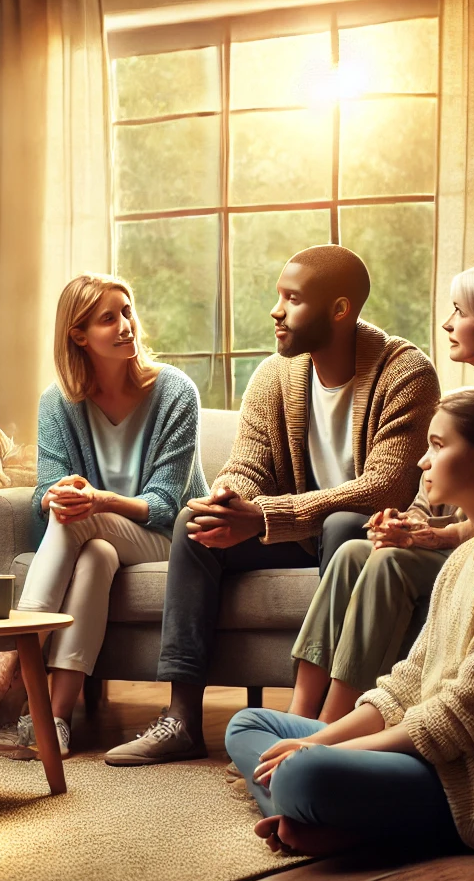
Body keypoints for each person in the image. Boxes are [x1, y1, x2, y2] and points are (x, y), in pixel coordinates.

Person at [105, 244, 440, 766]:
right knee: (197, 521)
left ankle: (332, 717)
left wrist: (267, 516)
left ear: (339, 310)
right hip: (290, 535)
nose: (275, 310)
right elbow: (249, 465)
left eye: (292, 298)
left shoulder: (406, 373)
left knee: (344, 523)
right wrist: (229, 497)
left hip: (352, 536)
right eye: (277, 296)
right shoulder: (274, 376)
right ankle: (182, 719)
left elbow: (386, 489)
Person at [225, 389, 474, 857]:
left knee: (302, 774)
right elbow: (407, 685)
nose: (422, 461)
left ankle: (341, 821)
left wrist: (322, 756)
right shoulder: (462, 558)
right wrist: (317, 739)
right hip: (435, 754)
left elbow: (462, 722)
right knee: (247, 724)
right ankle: (331, 821)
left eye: (438, 446)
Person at [289, 261, 474, 721]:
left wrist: (439, 536)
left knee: (390, 563)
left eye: (460, 312)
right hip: (454, 545)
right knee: (353, 552)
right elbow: (431, 491)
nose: (448, 323)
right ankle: (296, 715)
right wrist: (408, 520)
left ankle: (328, 727)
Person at [0, 274, 204, 753]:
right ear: (78, 335)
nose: (126, 326)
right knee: (93, 553)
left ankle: (12, 650)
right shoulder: (58, 402)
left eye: (127, 311)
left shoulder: (176, 392)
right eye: (108, 318)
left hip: (164, 535)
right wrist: (55, 496)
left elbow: (166, 505)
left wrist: (98, 500)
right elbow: (42, 498)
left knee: (86, 521)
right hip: (95, 536)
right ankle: (53, 717)